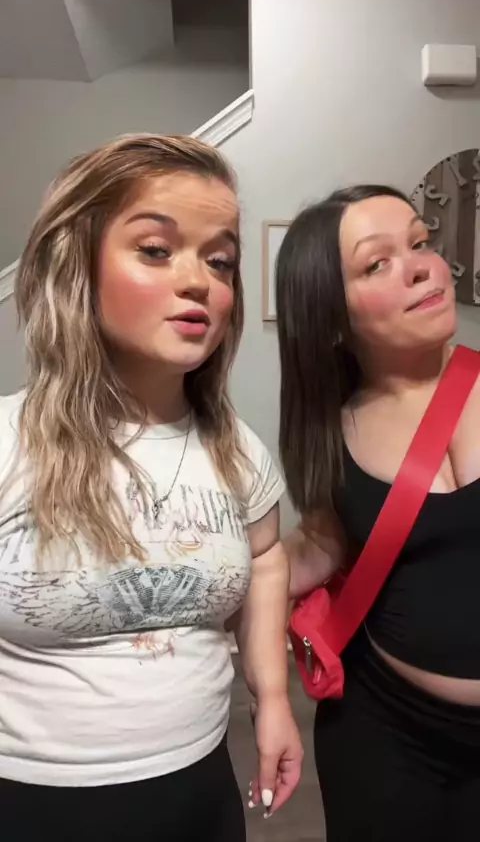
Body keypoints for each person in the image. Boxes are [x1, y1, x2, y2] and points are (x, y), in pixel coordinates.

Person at [0, 133, 302, 841]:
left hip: (198, 788)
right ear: (78, 265)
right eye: (157, 250)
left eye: (220, 260)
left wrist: (272, 698)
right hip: (31, 800)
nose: (200, 282)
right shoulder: (8, 443)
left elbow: (265, 559)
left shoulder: (238, 449)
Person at [276, 184, 480, 842]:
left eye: (420, 243)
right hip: (386, 732)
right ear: (331, 318)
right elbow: (322, 544)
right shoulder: (332, 432)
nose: (422, 267)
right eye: (377, 263)